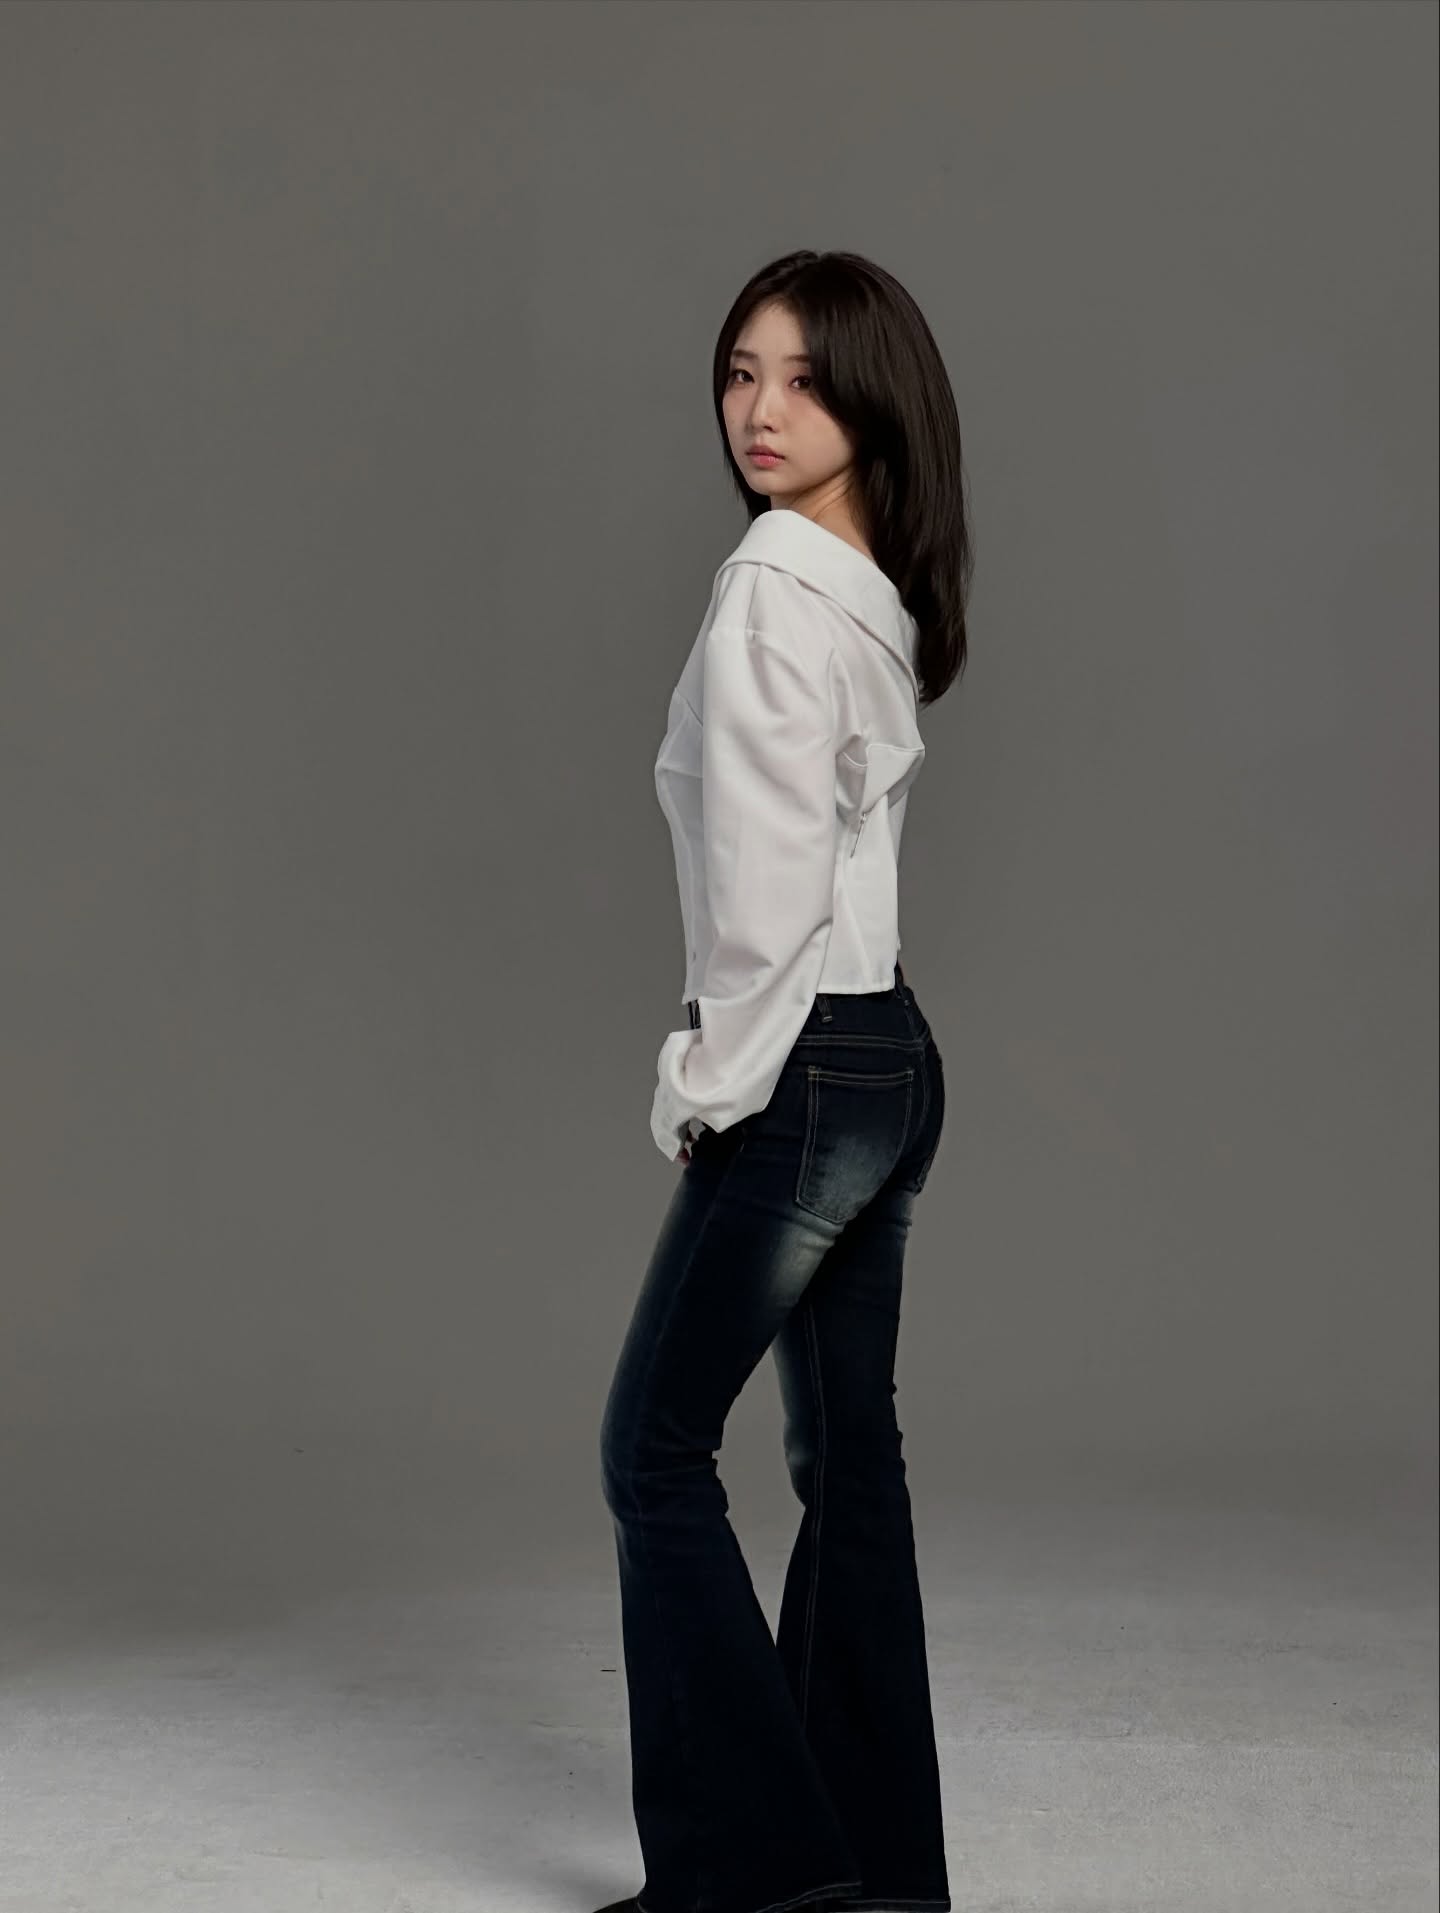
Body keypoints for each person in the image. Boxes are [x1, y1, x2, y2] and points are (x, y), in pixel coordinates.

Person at [596, 248, 974, 1913]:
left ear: (873, 400)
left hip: (803, 1060)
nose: (760, 410)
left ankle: (753, 1880)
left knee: (654, 1452)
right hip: (891, 1055)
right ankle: (872, 1869)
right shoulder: (872, 586)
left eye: (806, 379)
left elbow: (765, 904)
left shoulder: (770, 586)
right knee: (850, 1454)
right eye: (741, 373)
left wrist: (702, 1084)